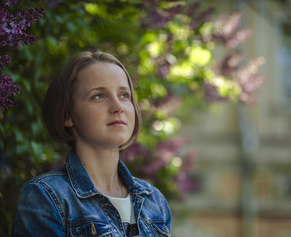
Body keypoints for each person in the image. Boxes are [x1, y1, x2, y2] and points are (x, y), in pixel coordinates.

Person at [12, 51, 172, 237]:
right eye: (99, 96)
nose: (118, 106)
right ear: (68, 115)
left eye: (124, 95)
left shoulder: (155, 201)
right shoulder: (45, 197)